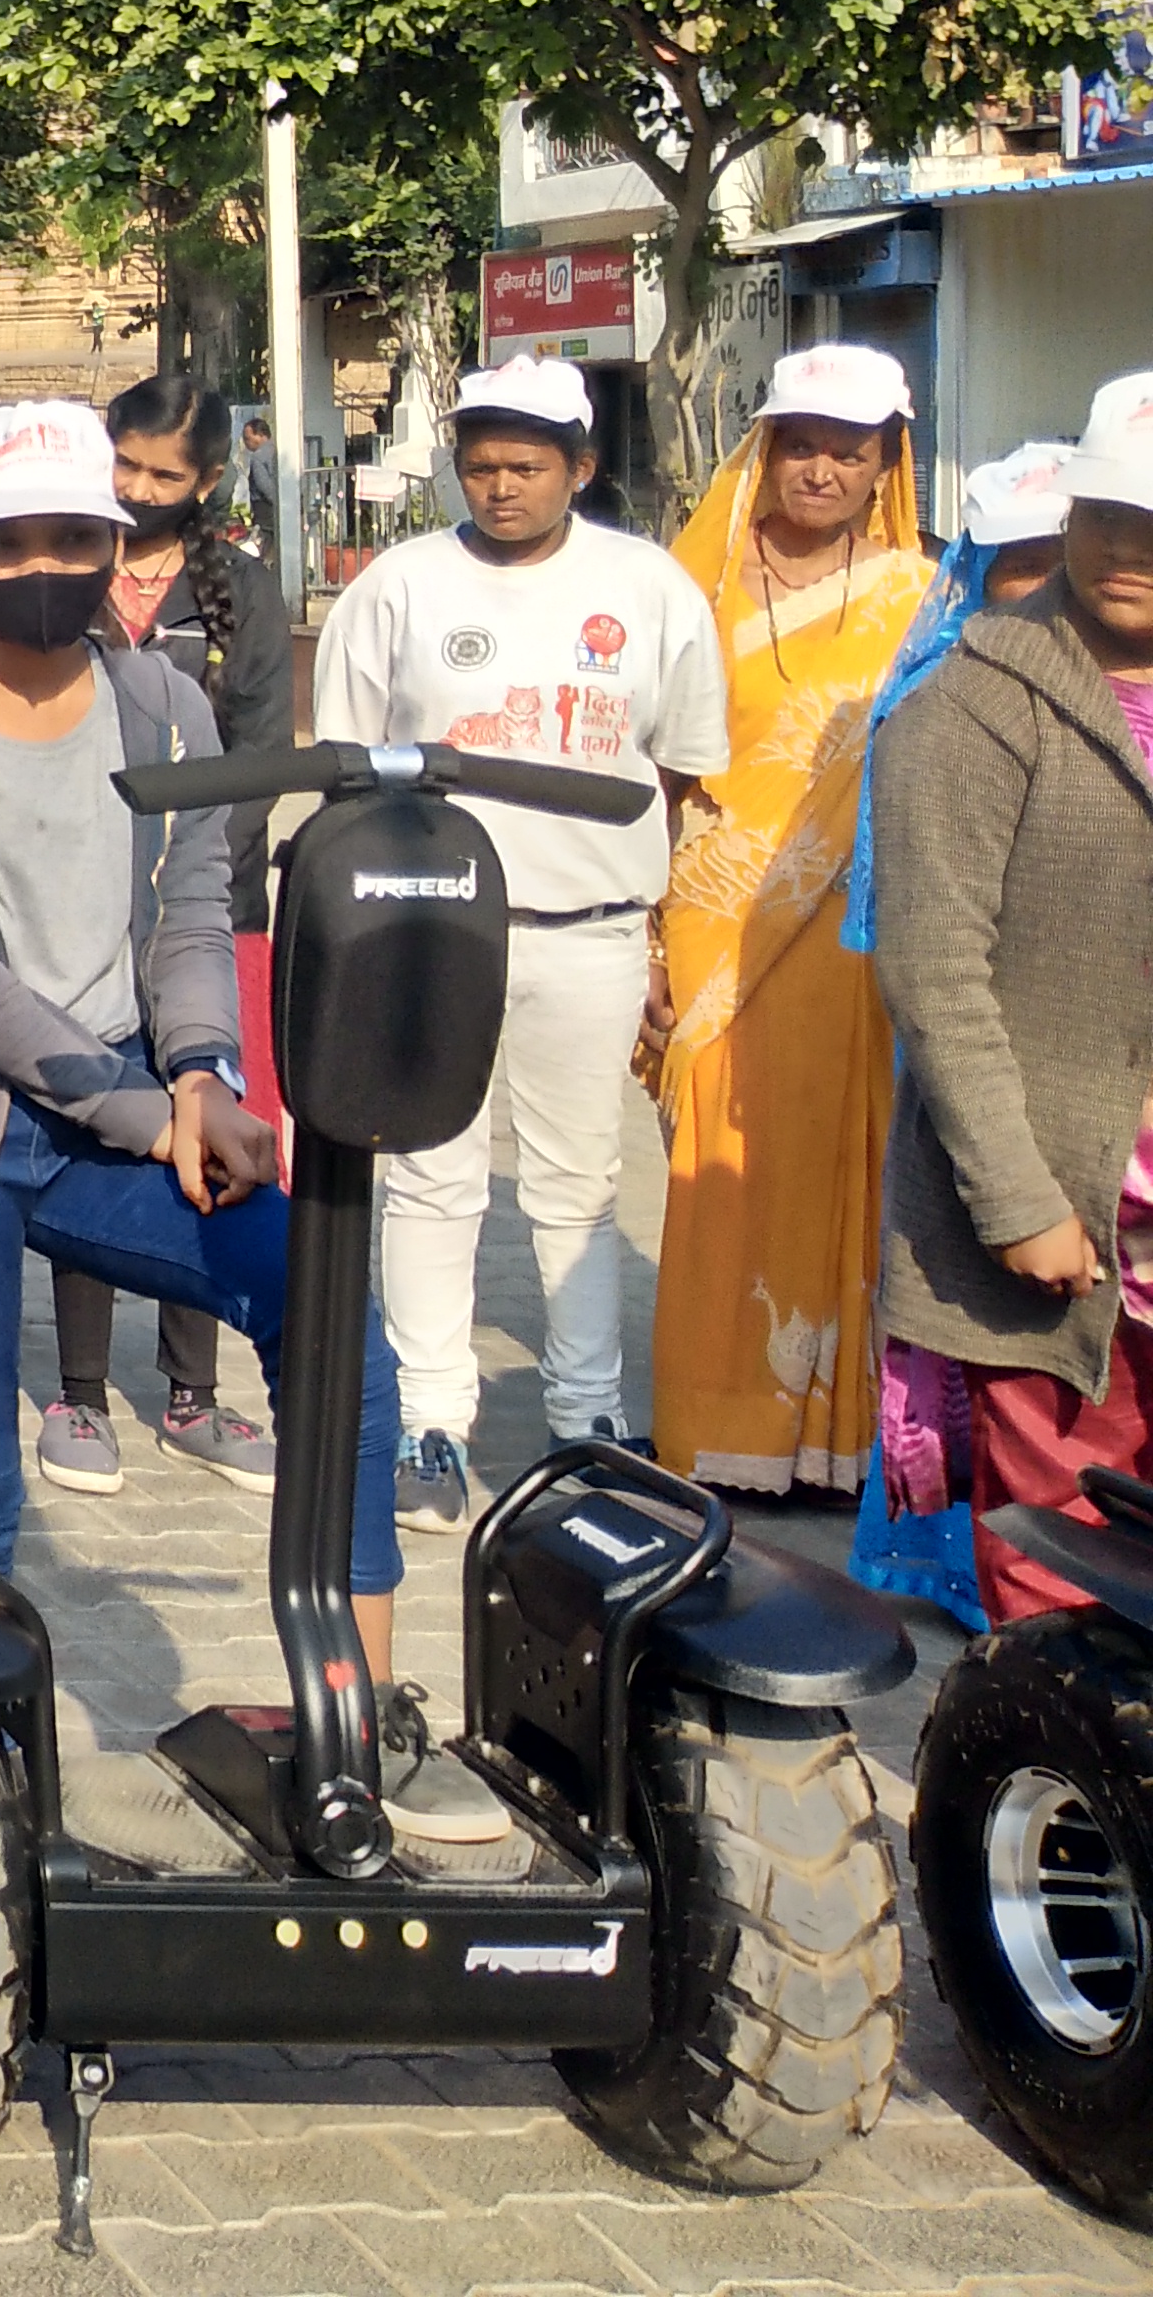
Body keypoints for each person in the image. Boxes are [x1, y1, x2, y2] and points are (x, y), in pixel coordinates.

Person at [0, 404, 420, 1717]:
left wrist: (204, 1076)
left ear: (116, 541)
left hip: (122, 1119)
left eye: (71, 538)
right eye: (5, 542)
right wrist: (146, 1109)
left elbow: (192, 911)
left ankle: (362, 1710)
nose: (39, 568)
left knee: (330, 1313)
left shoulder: (165, 703)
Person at [307, 358, 723, 1530]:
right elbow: (345, 770)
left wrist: (653, 931)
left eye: (526, 468)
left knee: (578, 1188)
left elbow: (683, 768)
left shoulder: (647, 588)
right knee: (431, 1178)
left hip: (590, 933)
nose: (500, 488)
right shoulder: (398, 586)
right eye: (480, 466)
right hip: (433, 931)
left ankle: (587, 1424)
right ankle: (431, 1422)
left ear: (580, 470)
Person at [870, 398, 1153, 1629]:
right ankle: (1049, 1804)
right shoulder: (976, 704)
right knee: (1064, 1551)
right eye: (1105, 515)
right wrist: (1020, 1200)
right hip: (1063, 1202)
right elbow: (937, 969)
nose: (1127, 548)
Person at [649, 345, 927, 1493]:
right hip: (717, 925)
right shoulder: (688, 586)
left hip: (849, 936)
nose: (820, 471)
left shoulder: (920, 598)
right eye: (800, 444)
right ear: (765, 447)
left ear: (884, 467)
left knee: (831, 1163)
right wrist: (650, 940)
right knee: (716, 1166)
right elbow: (653, 769)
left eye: (848, 453)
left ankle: (833, 1442)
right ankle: (712, 1431)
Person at [844, 436, 1076, 1626]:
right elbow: (919, 936)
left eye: (1064, 561)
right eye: (1019, 567)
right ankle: (976, 1563)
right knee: (972, 1318)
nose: (1045, 590)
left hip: (1097, 1062)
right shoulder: (940, 703)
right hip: (977, 1053)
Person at [47, 372, 288, 1492]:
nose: (140, 492)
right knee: (100, 1126)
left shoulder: (239, 592)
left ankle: (193, 1394)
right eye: (126, 466)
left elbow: (256, 769)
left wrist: (182, 884)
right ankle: (81, 1396)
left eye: (164, 476)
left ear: (205, 483)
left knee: (206, 1131)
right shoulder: (57, 565)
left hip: (209, 911)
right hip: (74, 905)